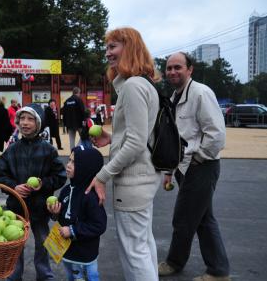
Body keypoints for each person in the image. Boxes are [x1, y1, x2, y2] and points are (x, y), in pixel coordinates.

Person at [85, 27, 162, 280]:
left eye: (113, 47)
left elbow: (137, 142)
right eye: (107, 47)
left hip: (133, 180)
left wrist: (102, 175)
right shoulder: (141, 84)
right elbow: (139, 134)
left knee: (134, 251)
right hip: (143, 178)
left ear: (129, 48)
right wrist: (112, 138)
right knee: (142, 245)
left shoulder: (133, 86)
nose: (107, 53)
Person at [157, 52, 230, 281]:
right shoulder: (176, 96)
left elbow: (216, 134)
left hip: (201, 166)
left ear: (190, 69)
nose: (172, 72)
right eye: (169, 68)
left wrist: (199, 158)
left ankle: (175, 262)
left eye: (178, 67)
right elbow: (175, 137)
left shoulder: (200, 93)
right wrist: (170, 171)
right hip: (184, 167)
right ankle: (218, 269)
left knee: (184, 218)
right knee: (203, 219)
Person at [0, 103, 67, 281]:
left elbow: (60, 176)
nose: (25, 123)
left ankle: (45, 275)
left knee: (43, 243)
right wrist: (14, 187)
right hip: (16, 208)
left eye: (30, 119)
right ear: (17, 122)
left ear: (38, 123)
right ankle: (13, 275)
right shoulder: (11, 151)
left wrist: (43, 184)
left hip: (40, 208)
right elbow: (2, 176)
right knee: (15, 244)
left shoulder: (48, 150)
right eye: (22, 118)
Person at [47, 145, 107, 281]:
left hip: (85, 253)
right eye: (69, 160)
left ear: (87, 168)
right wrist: (55, 213)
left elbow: (99, 225)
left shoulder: (91, 196)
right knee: (72, 276)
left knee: (89, 277)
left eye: (74, 162)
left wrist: (73, 230)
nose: (68, 165)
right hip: (66, 249)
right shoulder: (66, 190)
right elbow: (63, 217)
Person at [63, 87, 86, 151]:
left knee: (71, 140)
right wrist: (84, 120)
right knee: (83, 137)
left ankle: (72, 153)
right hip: (79, 123)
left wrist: (65, 124)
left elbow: (64, 113)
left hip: (69, 124)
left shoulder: (66, 101)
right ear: (78, 92)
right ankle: (77, 149)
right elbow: (82, 111)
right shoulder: (79, 100)